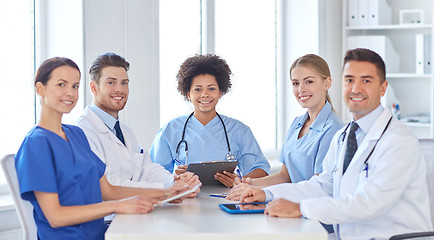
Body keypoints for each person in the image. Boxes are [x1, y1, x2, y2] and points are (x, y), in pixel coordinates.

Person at [239, 48, 433, 239]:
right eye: (349, 80)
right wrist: (266, 194)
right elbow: (322, 186)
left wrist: (300, 208)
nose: (355, 88)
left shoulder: (398, 141)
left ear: (383, 88)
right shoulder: (343, 136)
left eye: (366, 80)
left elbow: (370, 202)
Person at [15, 57, 187, 240]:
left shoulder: (76, 134)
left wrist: (167, 191)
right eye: (61, 85)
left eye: (74, 86)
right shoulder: (36, 144)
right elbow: (55, 217)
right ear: (40, 88)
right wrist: (118, 206)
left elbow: (108, 190)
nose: (70, 93)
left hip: (100, 234)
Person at [76, 52, 200, 191]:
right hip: (109, 211)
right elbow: (108, 184)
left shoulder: (125, 131)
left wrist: (176, 181)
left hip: (136, 208)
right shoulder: (83, 131)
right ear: (93, 87)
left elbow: (146, 169)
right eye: (111, 82)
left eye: (124, 83)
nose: (119, 89)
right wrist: (165, 189)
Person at [227, 54, 343, 201]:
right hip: (287, 204)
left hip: (311, 210)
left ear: (327, 83)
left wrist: (262, 192)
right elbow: (285, 176)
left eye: (309, 82)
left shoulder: (334, 130)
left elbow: (317, 187)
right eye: (295, 83)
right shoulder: (297, 124)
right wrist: (247, 183)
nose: (301, 89)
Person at [150, 54, 270, 187]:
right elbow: (152, 173)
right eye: (197, 89)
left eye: (211, 88)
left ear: (220, 92)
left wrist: (238, 181)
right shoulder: (170, 130)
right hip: (184, 200)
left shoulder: (239, 130)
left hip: (228, 199)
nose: (205, 94)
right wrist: (173, 177)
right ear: (188, 94)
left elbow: (261, 170)